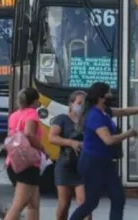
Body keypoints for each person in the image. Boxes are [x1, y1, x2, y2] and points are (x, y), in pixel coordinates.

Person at [69, 82, 138, 220]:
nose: (111, 95)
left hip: (105, 163)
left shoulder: (104, 111)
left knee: (118, 197)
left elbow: (123, 111)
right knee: (91, 202)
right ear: (101, 96)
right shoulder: (94, 115)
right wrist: (129, 133)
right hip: (93, 163)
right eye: (109, 93)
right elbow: (108, 140)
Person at [48, 90, 89, 220]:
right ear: (71, 104)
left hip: (83, 167)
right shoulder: (62, 119)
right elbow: (52, 137)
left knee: (85, 204)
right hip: (65, 166)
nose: (81, 106)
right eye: (79, 103)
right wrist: (71, 142)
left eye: (84, 104)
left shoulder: (88, 120)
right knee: (64, 204)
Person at [4, 88, 44, 220]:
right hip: (28, 165)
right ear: (34, 102)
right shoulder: (32, 113)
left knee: (33, 204)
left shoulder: (14, 115)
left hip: (13, 162)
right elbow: (29, 134)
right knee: (18, 205)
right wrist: (43, 149)